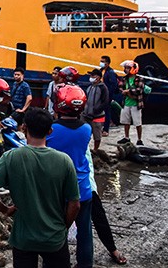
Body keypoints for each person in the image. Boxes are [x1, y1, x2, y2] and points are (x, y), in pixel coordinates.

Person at [0, 107, 80, 268]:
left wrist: (5, 209)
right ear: (50, 131)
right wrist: (63, 227)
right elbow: (75, 204)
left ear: (24, 128)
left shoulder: (11, 157)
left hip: (23, 238)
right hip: (54, 238)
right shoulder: (64, 161)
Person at [47, 83, 94, 268]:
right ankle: (85, 264)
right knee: (85, 231)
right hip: (83, 187)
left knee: (59, 229)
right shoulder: (87, 129)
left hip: (60, 190)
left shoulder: (52, 130)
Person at [86, 151, 128, 265]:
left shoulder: (81, 134)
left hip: (85, 183)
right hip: (64, 182)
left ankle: (112, 249)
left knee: (98, 217)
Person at [118, 60, 145, 145]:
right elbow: (120, 87)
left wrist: (128, 91)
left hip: (135, 104)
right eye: (125, 68)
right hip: (126, 103)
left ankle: (139, 139)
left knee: (137, 123)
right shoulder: (124, 79)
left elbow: (139, 90)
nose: (126, 69)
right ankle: (126, 137)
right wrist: (123, 91)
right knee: (126, 122)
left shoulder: (139, 79)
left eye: (128, 68)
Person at [84, 69, 110, 151]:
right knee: (85, 134)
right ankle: (86, 148)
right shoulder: (90, 87)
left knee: (97, 135)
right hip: (86, 115)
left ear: (98, 77)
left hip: (97, 116)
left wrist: (96, 110)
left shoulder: (103, 88)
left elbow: (105, 102)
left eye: (93, 75)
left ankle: (95, 150)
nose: (91, 77)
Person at [100, 55, 121, 136]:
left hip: (107, 95)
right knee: (100, 111)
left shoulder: (110, 72)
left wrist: (108, 95)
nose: (101, 63)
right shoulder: (101, 70)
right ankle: (101, 127)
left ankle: (106, 129)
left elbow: (113, 85)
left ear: (107, 63)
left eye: (103, 61)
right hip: (101, 94)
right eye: (101, 61)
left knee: (107, 111)